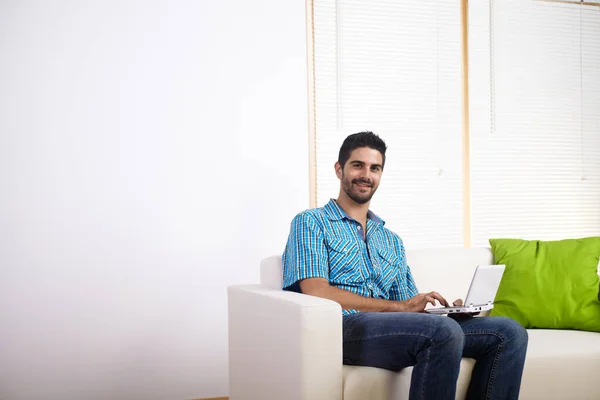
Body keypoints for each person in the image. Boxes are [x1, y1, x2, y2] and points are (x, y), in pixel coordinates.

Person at [282, 131, 528, 400]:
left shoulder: (391, 240)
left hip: (393, 329)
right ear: (339, 169)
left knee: (508, 333)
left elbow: (409, 305)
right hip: (343, 329)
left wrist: (449, 314)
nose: (366, 174)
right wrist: (402, 308)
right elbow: (318, 291)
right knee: (442, 334)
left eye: (374, 168)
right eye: (357, 165)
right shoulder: (311, 223)